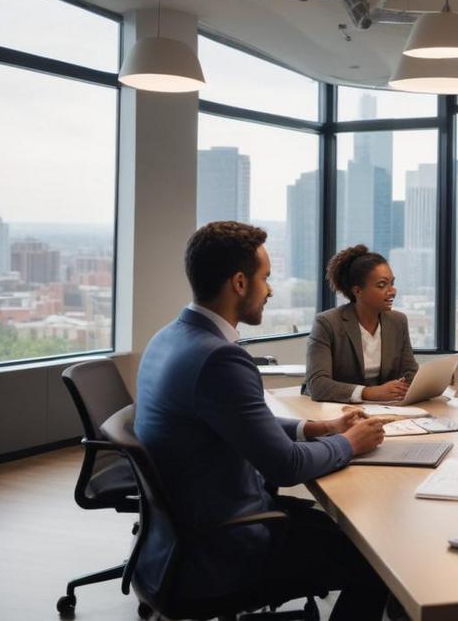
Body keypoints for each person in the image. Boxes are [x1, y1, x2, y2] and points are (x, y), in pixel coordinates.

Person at [134, 221, 388, 619]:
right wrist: (350, 443)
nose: (269, 290)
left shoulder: (170, 337)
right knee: (378, 560)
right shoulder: (220, 358)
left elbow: (237, 422)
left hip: (181, 537)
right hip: (228, 547)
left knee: (347, 535)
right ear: (239, 283)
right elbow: (286, 466)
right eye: (265, 278)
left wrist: (315, 429)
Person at [306, 245, 419, 402]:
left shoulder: (398, 321)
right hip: (338, 411)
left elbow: (410, 372)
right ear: (358, 291)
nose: (392, 291)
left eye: (392, 283)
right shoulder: (327, 323)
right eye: (382, 285)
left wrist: (432, 381)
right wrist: (369, 392)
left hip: (386, 408)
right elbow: (317, 385)